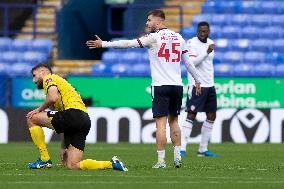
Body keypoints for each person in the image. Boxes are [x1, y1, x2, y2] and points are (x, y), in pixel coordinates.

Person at [86, 9, 201, 168]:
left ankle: (161, 161)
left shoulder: (154, 37)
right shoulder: (179, 37)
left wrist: (104, 44)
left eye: (149, 20)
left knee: (160, 124)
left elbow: (127, 44)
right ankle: (177, 158)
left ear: (159, 21)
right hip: (177, 86)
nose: (147, 23)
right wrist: (197, 81)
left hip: (160, 86)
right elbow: (188, 63)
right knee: (174, 122)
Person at [26, 63, 128, 171]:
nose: (33, 80)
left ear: (42, 72)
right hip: (83, 120)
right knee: (73, 165)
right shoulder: (63, 87)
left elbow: (52, 97)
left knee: (31, 118)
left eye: (34, 75)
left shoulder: (49, 78)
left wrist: (38, 109)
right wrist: (63, 148)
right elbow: (64, 123)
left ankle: (44, 159)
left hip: (73, 114)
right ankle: (112, 164)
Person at [180, 21, 219, 157]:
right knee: (191, 114)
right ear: (197, 31)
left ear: (209, 31)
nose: (203, 33)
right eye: (201, 31)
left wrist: (208, 51)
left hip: (210, 85)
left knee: (212, 115)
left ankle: (202, 149)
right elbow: (192, 63)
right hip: (197, 85)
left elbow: (209, 65)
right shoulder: (191, 43)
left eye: (205, 31)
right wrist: (206, 52)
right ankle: (182, 148)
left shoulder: (211, 42)